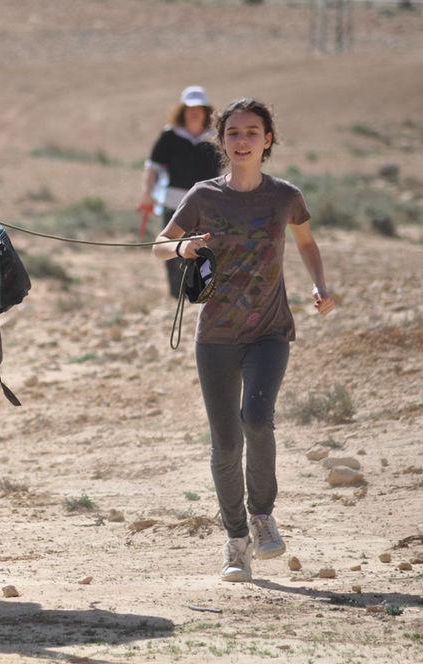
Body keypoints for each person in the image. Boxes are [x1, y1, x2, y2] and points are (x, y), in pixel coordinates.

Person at [152, 98, 335, 583]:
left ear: (268, 139)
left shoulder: (285, 196)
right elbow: (157, 246)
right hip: (215, 336)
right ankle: (236, 544)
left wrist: (320, 285)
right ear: (222, 141)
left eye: (252, 132)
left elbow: (307, 243)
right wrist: (182, 246)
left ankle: (262, 516)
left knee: (257, 418)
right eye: (233, 133)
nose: (242, 140)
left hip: (270, 330)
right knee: (226, 443)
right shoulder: (203, 196)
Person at [138, 86, 222, 298]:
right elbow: (153, 166)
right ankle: (176, 296)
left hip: (207, 205)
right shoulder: (170, 136)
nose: (194, 112)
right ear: (183, 110)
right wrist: (147, 193)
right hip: (174, 202)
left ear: (206, 111)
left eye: (199, 108)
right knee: (172, 248)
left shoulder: (215, 138)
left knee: (204, 249)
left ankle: (201, 296)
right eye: (189, 108)